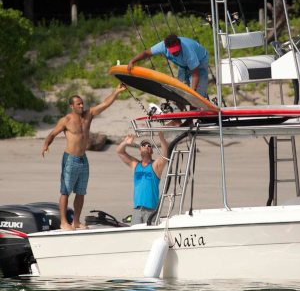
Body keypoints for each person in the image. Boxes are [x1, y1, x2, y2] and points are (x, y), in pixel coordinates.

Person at [41, 83, 127, 230]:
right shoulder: (66, 120)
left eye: (82, 103)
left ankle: (76, 221)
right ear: (71, 106)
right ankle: (63, 222)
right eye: (78, 104)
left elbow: (105, 104)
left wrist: (117, 91)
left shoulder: (89, 115)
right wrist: (46, 145)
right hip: (70, 159)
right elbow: (52, 133)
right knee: (65, 191)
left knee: (80, 192)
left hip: (83, 159)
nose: (81, 106)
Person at [128, 34, 209, 100]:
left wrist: (193, 91)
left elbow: (196, 75)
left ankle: (190, 119)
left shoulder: (188, 52)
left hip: (200, 61)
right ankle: (177, 120)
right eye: (173, 51)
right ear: (166, 47)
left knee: (194, 95)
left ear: (179, 44)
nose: (175, 52)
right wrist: (132, 61)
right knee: (181, 93)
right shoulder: (162, 46)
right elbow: (146, 53)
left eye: (176, 50)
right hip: (183, 64)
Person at [116, 133, 169, 224]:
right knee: (134, 235)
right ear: (139, 151)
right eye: (143, 145)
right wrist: (125, 142)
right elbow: (119, 151)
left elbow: (165, 154)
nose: (146, 147)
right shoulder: (135, 165)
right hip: (137, 210)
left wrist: (161, 138)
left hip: (151, 210)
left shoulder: (155, 166)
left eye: (149, 146)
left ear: (152, 151)